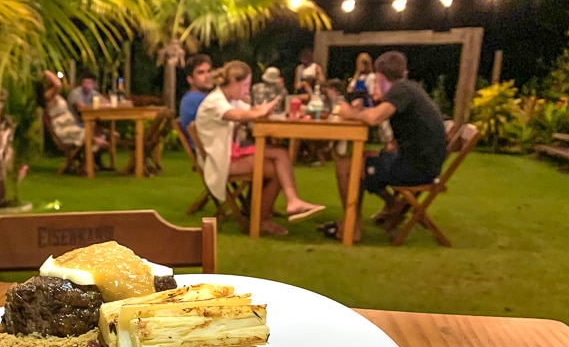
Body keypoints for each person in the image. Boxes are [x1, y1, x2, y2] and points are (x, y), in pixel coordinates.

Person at [322, 51, 448, 243]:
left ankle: (351, 227)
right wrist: (364, 109)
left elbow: (374, 118)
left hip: (417, 169)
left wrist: (350, 113)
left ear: (379, 76)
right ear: (403, 71)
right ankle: (374, 213)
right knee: (362, 158)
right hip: (422, 163)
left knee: (346, 165)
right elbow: (377, 112)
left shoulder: (401, 90)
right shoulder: (408, 88)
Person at [195, 61, 324, 236]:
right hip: (219, 162)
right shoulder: (215, 101)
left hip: (230, 153)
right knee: (279, 170)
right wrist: (258, 112)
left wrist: (262, 109)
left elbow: (250, 110)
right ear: (233, 81)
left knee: (281, 155)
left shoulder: (230, 99)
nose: (247, 89)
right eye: (245, 85)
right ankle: (263, 218)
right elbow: (237, 115)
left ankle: (290, 202)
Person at [36, 70, 109, 151]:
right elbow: (58, 85)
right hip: (63, 129)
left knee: (93, 126)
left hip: (70, 125)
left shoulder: (55, 95)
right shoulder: (48, 96)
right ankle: (94, 145)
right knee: (89, 131)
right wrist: (46, 72)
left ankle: (94, 147)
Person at [178, 54, 213, 150]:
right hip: (207, 151)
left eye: (209, 71)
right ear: (190, 79)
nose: (207, 76)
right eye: (201, 73)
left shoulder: (198, 98)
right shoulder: (194, 99)